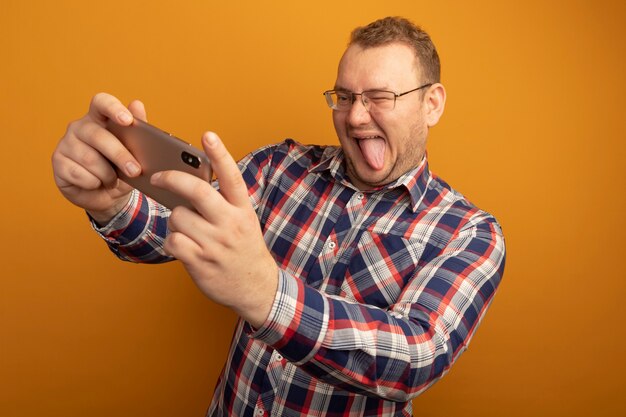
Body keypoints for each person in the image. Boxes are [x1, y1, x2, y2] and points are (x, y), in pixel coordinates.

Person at [52, 16, 506, 417]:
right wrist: (110, 201)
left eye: (379, 97)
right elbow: (169, 233)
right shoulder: (279, 167)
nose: (355, 116)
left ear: (432, 104)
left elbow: (414, 358)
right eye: (344, 96)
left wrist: (266, 295)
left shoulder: (469, 233)